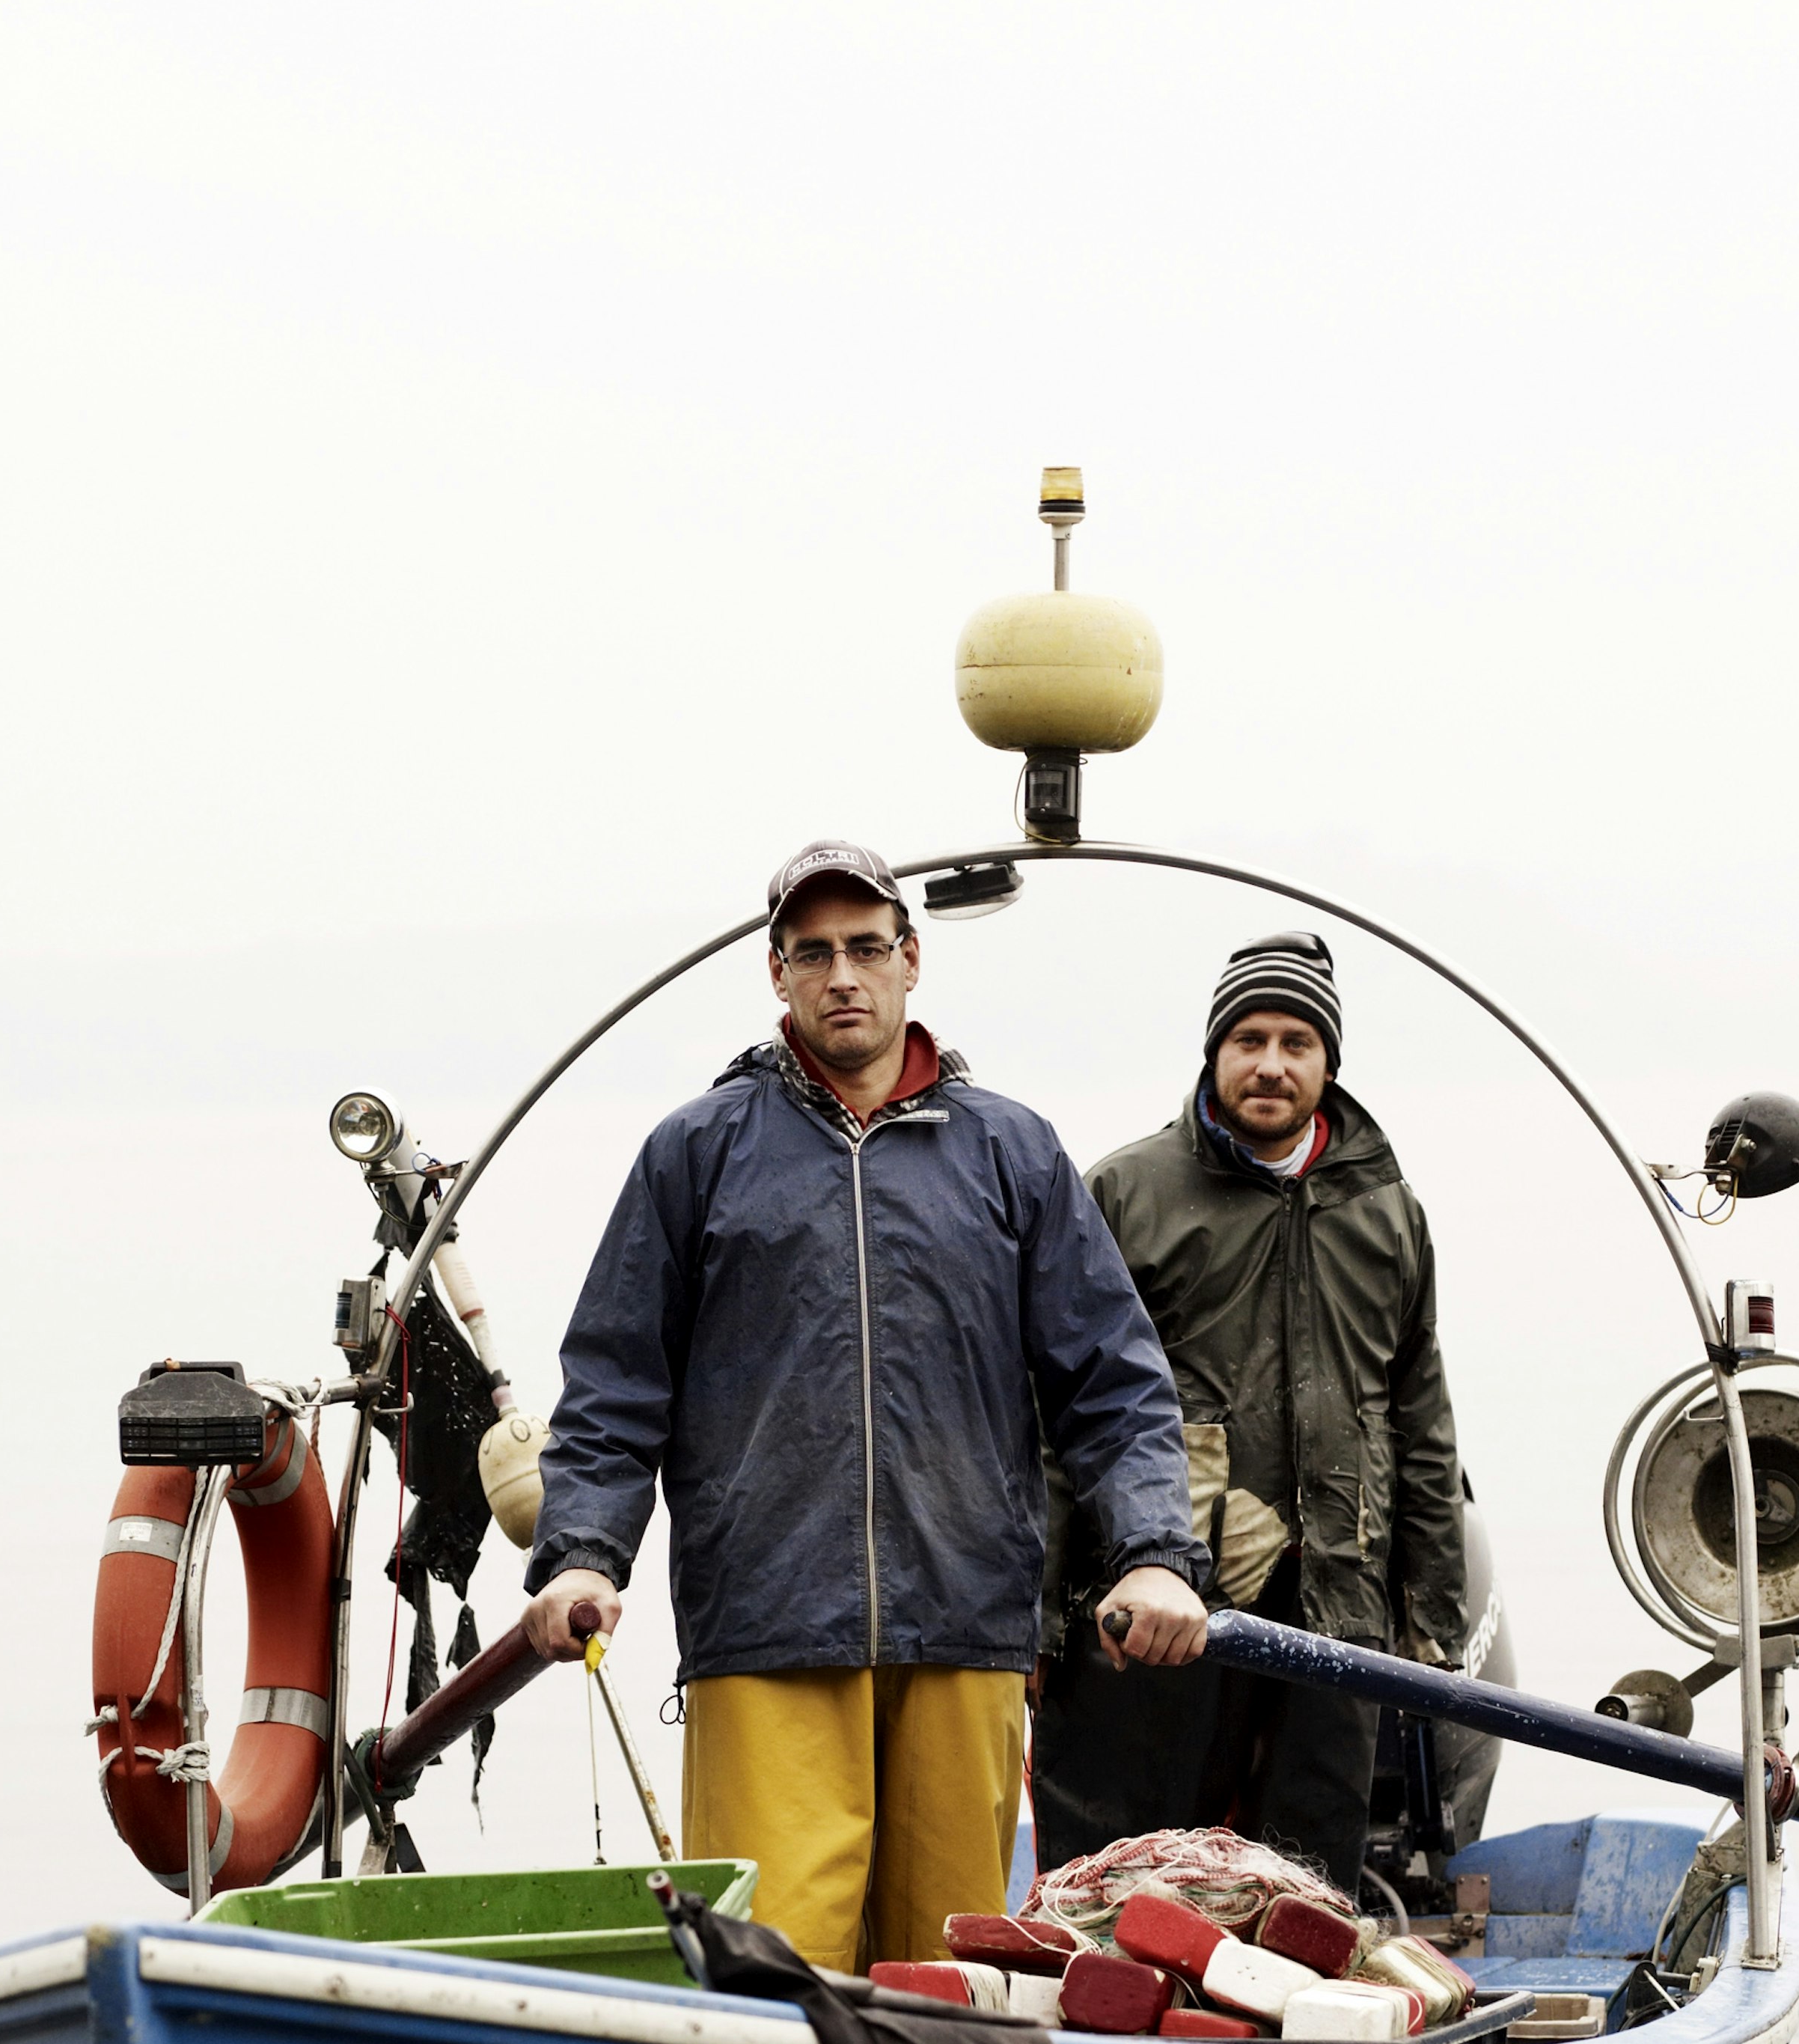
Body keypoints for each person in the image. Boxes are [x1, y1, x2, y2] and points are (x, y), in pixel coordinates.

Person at [517, 840, 1212, 1969]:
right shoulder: (696, 1153)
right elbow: (612, 1385)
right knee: (773, 1973)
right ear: (777, 973)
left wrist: (1155, 1554)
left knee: (955, 1976)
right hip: (767, 1632)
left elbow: (1117, 1383)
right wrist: (582, 1555)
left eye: (865, 948)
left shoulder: (1012, 1152)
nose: (843, 974)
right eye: (814, 952)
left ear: (912, 960)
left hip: (967, 1627)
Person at [1031, 926, 1502, 1908]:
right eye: (1249, 1040)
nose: (1271, 1065)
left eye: (1297, 1042)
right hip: (1155, 1604)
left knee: (1306, 1893)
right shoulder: (1127, 1191)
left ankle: (1300, 2040)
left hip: (1334, 1603)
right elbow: (1054, 1417)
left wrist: (1435, 1626)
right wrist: (1031, 1620)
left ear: (1329, 1063)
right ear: (1214, 1055)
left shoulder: (1387, 1210)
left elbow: (1419, 1421)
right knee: (1126, 1884)